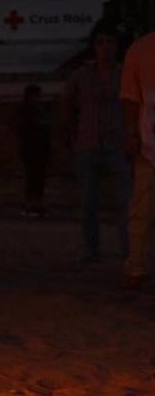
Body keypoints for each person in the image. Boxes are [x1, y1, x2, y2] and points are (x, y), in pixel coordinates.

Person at [64, 20, 130, 264]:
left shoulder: (124, 74)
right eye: (100, 42)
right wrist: (73, 134)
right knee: (88, 201)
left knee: (125, 200)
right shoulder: (81, 76)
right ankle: (90, 248)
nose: (105, 47)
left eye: (110, 42)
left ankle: (129, 249)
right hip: (88, 142)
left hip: (117, 142)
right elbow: (67, 106)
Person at [121, 29, 155, 290]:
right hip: (149, 144)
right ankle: (136, 265)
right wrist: (132, 133)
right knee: (141, 208)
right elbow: (131, 98)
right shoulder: (141, 49)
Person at [17, 84, 51, 218]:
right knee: (32, 176)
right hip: (31, 148)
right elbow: (25, 130)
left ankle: (36, 203)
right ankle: (30, 204)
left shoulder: (39, 111)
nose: (39, 98)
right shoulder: (26, 111)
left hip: (40, 148)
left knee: (38, 177)